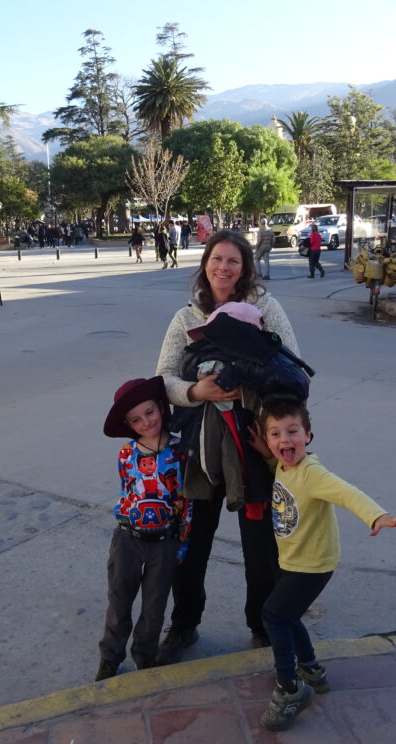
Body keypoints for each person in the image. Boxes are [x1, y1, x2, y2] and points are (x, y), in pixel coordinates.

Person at [155, 229, 300, 664]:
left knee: (260, 547)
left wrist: (247, 387)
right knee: (192, 544)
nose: (223, 268)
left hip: (254, 449)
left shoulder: (265, 309)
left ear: (245, 267)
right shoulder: (186, 318)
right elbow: (162, 379)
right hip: (199, 452)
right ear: (205, 264)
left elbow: (293, 368)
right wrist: (197, 392)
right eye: (216, 259)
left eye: (233, 261)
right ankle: (184, 625)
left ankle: (262, 624)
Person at [248, 397, 396, 731]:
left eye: (293, 431)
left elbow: (346, 492)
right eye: (275, 434)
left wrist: (377, 516)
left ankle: (290, 690)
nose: (284, 440)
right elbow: (279, 462)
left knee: (273, 616)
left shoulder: (312, 473)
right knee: (287, 616)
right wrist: (266, 449)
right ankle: (312, 670)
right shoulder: (284, 465)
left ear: (309, 435)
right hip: (292, 559)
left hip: (313, 564)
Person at [96, 376, 192, 681]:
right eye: (136, 419)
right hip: (127, 539)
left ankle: (146, 655)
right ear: (128, 424)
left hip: (164, 542)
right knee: (119, 600)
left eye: (149, 412)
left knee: (154, 605)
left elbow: (185, 501)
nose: (145, 422)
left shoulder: (179, 451)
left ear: (161, 408)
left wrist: (182, 543)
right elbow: (128, 492)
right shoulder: (126, 454)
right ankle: (110, 656)